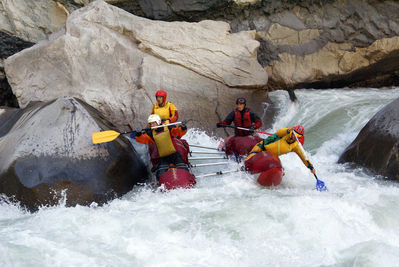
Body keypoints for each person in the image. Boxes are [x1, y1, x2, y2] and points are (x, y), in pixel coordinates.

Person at [132, 114, 188, 180]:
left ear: (158, 122)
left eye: (153, 123)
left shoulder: (168, 127)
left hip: (175, 155)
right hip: (163, 158)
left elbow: (178, 132)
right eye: (151, 124)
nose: (152, 125)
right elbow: (144, 139)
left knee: (184, 170)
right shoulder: (151, 133)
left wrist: (183, 127)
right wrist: (139, 134)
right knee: (160, 175)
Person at [245, 125, 316, 174]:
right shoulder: (285, 133)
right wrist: (288, 130)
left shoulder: (295, 146)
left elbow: (304, 157)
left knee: (280, 170)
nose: (295, 137)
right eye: (294, 134)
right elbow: (279, 132)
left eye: (297, 136)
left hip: (271, 156)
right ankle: (243, 169)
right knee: (250, 158)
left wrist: (311, 167)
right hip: (261, 148)